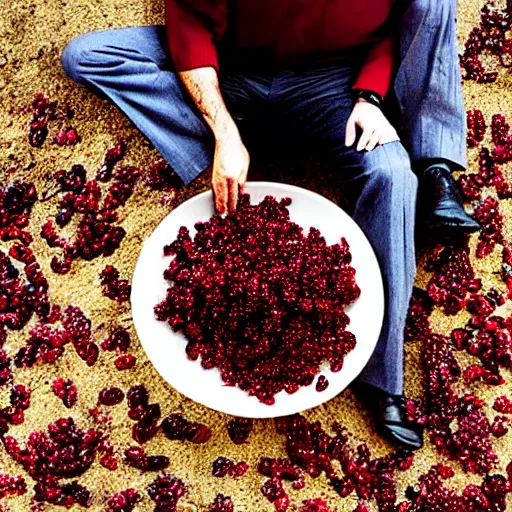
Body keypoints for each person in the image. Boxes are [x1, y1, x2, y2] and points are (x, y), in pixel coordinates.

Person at [60, 0, 478, 450]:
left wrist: (371, 96)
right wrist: (223, 132)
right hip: (235, 68)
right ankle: (233, 141)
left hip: (331, 85)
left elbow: (398, 28)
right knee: (90, 56)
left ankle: (379, 374)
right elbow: (189, 26)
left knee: (393, 174)